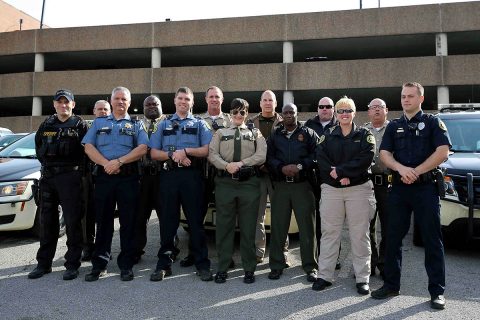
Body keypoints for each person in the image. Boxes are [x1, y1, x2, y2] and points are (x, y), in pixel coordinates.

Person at [371, 82, 450, 310]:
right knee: (393, 237)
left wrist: (417, 171)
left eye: (410, 96)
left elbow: (442, 151)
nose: (405, 100)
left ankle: (437, 291)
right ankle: (391, 285)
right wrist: (401, 169)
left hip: (425, 188)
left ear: (421, 99)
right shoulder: (394, 125)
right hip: (399, 188)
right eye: (403, 96)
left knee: (432, 240)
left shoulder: (433, 122)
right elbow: (384, 154)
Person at [82, 86, 148, 282]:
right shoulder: (99, 123)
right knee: (103, 222)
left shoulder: (136, 125)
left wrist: (119, 162)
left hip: (128, 179)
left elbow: (143, 148)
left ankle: (126, 265)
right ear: (111, 101)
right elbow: (88, 147)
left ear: (129, 103)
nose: (120, 102)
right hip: (104, 178)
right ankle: (99, 264)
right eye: (117, 98)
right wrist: (106, 164)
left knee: (129, 223)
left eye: (124, 99)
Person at [313, 96, 376, 295]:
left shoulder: (365, 134)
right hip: (332, 189)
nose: (345, 114)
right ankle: (324, 275)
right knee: (330, 233)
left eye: (348, 110)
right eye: (341, 111)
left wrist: (342, 172)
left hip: (358, 189)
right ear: (336, 114)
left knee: (359, 235)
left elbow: (366, 158)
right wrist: (339, 176)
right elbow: (321, 158)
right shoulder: (328, 135)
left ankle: (362, 278)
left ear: (354, 113)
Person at [150, 87, 213, 282]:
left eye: (187, 99)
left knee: (195, 221)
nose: (183, 101)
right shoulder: (164, 124)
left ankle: (202, 263)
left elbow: (206, 150)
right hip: (169, 177)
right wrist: (172, 155)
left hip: (192, 177)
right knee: (168, 222)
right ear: (175, 101)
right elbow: (153, 153)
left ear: (192, 103)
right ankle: (164, 263)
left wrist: (185, 151)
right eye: (180, 98)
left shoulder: (200, 124)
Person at [28, 89, 88, 280]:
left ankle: (72, 264)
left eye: (66, 102)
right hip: (48, 178)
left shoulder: (80, 125)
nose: (63, 105)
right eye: (59, 102)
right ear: (54, 104)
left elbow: (88, 152)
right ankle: (43, 264)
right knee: (47, 222)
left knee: (72, 221)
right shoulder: (47, 124)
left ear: (73, 104)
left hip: (70, 178)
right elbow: (39, 148)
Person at [208, 98, 267, 284]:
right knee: (224, 227)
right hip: (225, 184)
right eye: (235, 112)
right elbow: (212, 154)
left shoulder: (255, 133)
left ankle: (249, 268)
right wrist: (227, 166)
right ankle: (223, 267)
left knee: (249, 227)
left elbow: (261, 155)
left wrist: (241, 163)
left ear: (247, 114)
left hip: (249, 184)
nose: (238, 115)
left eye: (242, 112)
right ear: (230, 113)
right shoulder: (220, 133)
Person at [179, 86, 232, 268]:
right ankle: (194, 253)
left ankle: (226, 256)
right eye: (211, 96)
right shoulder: (197, 120)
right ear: (206, 99)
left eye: (217, 96)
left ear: (222, 99)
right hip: (201, 174)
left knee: (226, 216)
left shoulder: (231, 120)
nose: (214, 99)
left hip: (223, 174)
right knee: (196, 216)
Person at [267, 103, 319, 282]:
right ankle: (276, 265)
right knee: (278, 226)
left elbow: (317, 155)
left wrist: (300, 166)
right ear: (282, 115)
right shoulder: (275, 135)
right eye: (286, 112)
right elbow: (269, 157)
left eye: (292, 112)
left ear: (297, 114)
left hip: (302, 185)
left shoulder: (309, 133)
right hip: (281, 186)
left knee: (307, 228)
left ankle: (310, 267)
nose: (289, 115)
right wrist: (280, 167)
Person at [247, 90, 287, 264]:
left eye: (271, 100)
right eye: (265, 100)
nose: (268, 103)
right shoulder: (251, 122)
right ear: (260, 103)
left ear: (276, 103)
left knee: (281, 215)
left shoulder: (284, 122)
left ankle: (282, 252)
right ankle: (259, 251)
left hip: (277, 175)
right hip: (258, 174)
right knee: (258, 215)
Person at [305, 96, 342, 270]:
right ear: (317, 108)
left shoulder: (341, 124)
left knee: (333, 220)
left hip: (334, 178)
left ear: (333, 108)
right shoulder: (308, 126)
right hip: (313, 178)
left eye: (328, 106)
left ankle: (335, 257)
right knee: (316, 219)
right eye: (321, 106)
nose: (325, 109)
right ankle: (319, 257)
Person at [133, 95, 167, 263]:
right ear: (143, 107)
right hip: (142, 177)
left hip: (163, 176)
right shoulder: (135, 124)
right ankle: (137, 250)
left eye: (155, 104)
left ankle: (168, 250)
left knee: (166, 216)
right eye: (148, 104)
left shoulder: (169, 123)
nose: (152, 106)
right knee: (139, 216)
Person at [81, 100, 111, 262]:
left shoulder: (115, 126)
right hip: (88, 175)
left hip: (107, 174)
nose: (102, 112)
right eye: (99, 109)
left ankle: (104, 248)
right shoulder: (87, 126)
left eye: (106, 109)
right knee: (87, 213)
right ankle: (88, 247)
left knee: (104, 214)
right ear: (94, 111)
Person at [364, 98, 390, 277]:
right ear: (369, 112)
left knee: (389, 226)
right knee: (367, 225)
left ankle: (385, 264)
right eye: (373, 108)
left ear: (386, 110)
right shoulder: (363, 130)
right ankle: (370, 263)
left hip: (388, 184)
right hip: (368, 184)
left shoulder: (395, 129)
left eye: (380, 107)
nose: (377, 110)